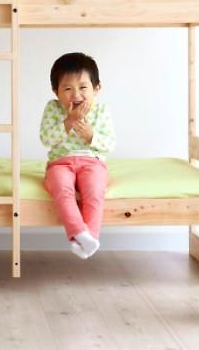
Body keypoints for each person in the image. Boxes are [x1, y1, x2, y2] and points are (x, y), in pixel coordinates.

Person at [39, 52, 115, 259]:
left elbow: (109, 144)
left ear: (96, 89)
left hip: (93, 162)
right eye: (67, 89)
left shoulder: (101, 109)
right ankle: (79, 233)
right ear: (56, 91)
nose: (76, 95)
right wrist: (69, 121)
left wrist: (91, 136)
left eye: (83, 87)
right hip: (60, 163)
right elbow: (46, 139)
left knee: (94, 191)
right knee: (62, 189)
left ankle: (91, 237)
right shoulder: (53, 108)